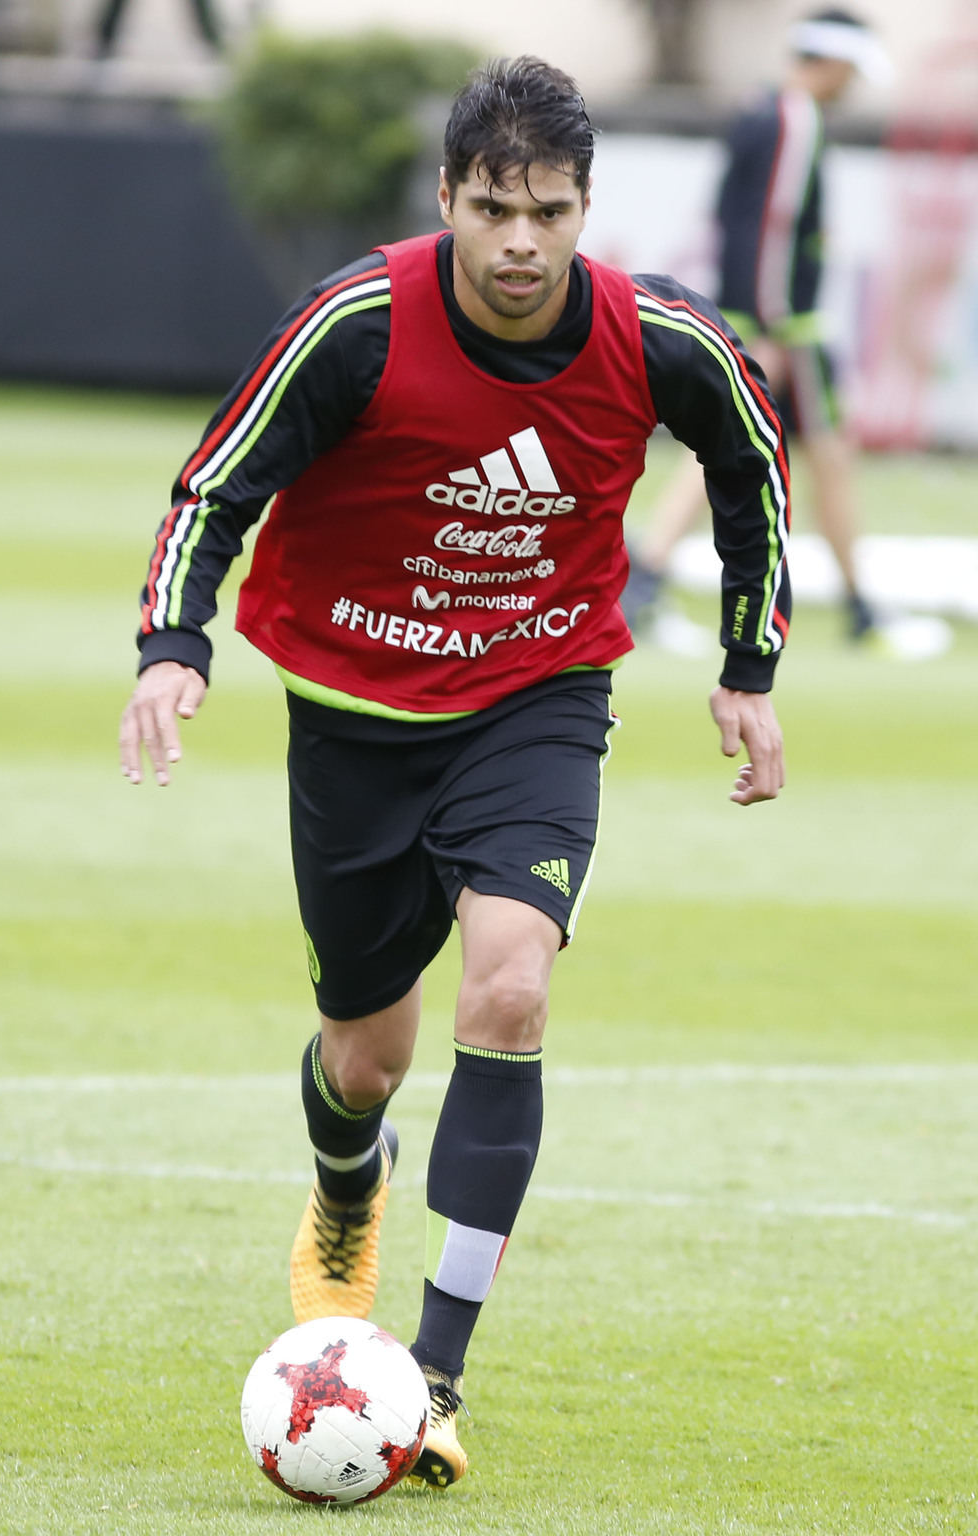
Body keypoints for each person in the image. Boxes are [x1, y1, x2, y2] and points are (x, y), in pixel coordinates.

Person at [119, 57, 789, 1490]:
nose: (521, 242)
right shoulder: (357, 323)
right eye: (493, 208)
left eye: (549, 211)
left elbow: (751, 461)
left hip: (536, 702)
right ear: (447, 198)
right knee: (364, 1059)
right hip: (353, 718)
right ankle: (344, 1189)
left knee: (510, 986)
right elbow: (217, 482)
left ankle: (429, 1374)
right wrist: (175, 642)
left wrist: (751, 661)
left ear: (587, 206)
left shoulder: (661, 337)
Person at [622, 8, 892, 644]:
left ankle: (649, 579)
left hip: (774, 325)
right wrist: (771, 325)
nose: (852, 85)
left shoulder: (761, 111)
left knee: (779, 454)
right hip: (785, 330)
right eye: (851, 70)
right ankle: (859, 609)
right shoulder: (793, 119)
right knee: (809, 456)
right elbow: (771, 226)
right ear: (832, 62)